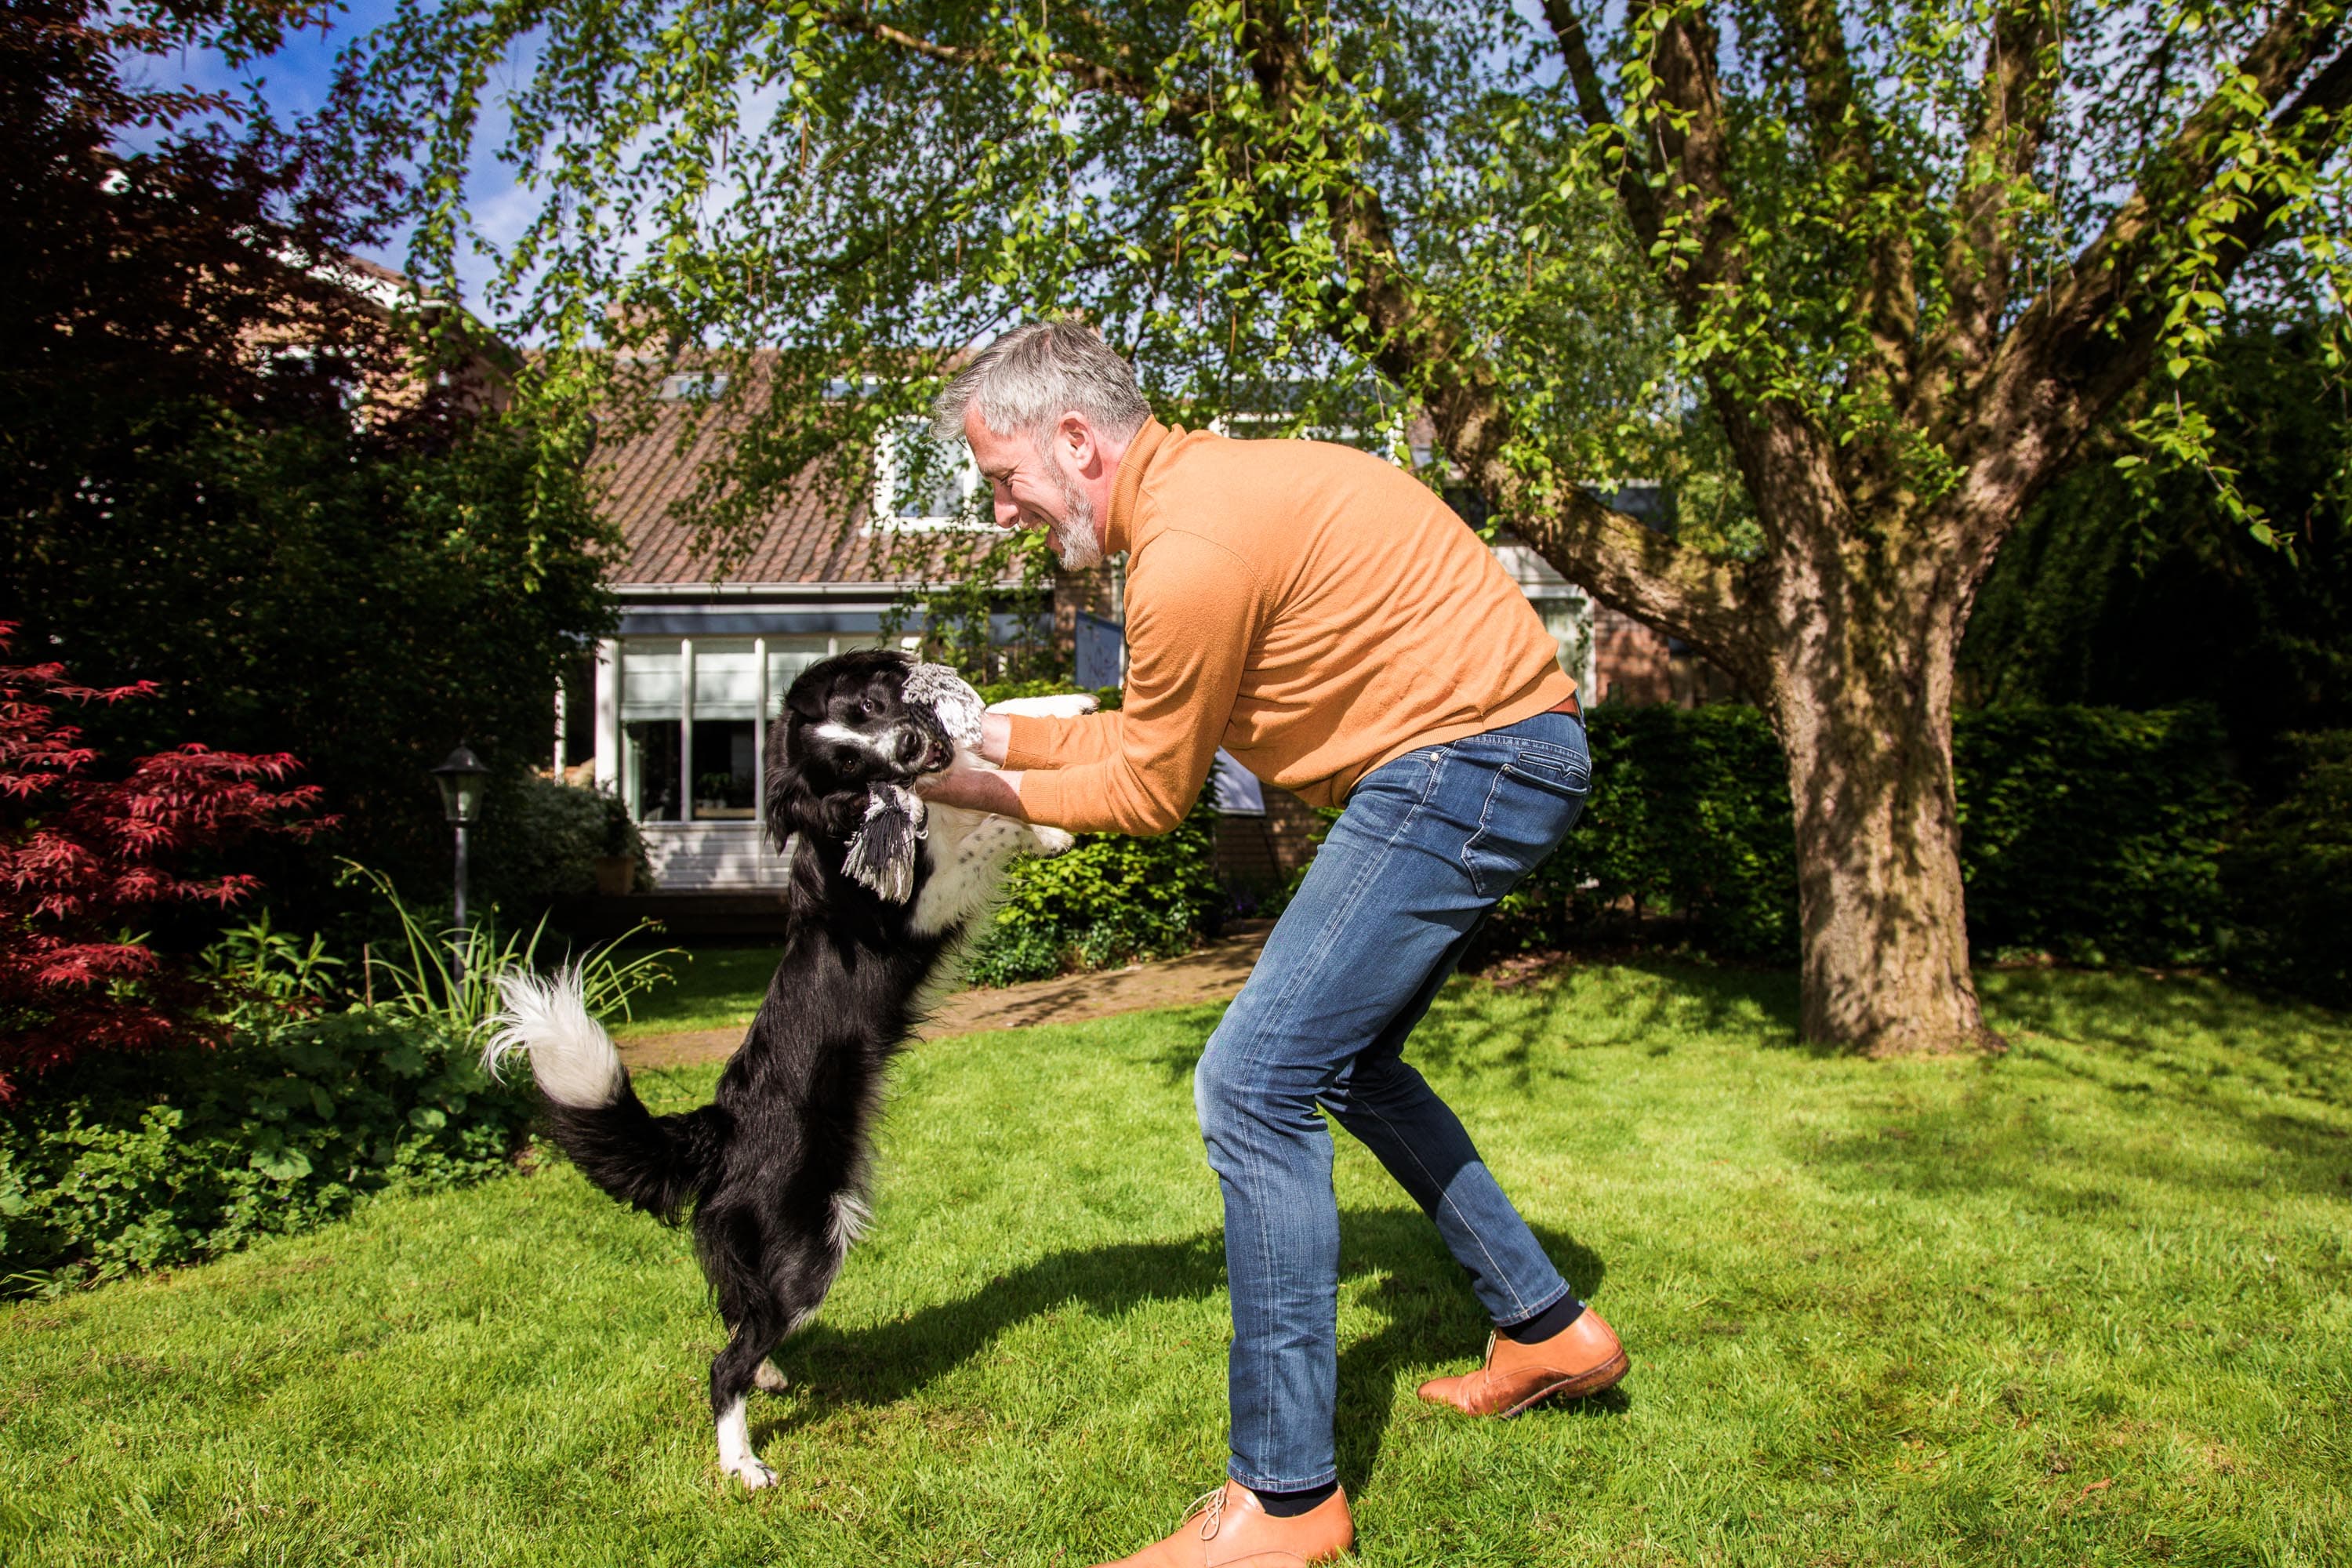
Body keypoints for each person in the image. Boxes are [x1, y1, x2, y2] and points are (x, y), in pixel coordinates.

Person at [917, 321, 1627, 1568]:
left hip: (1467, 762)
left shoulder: (1186, 551)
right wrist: (987, 742)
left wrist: (966, 793)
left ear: (1075, 441)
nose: (1006, 509)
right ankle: (1547, 1330)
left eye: (1005, 477)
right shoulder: (1205, 501)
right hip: (1497, 755)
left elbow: (1145, 797)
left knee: (1252, 1085)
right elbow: (1147, 742)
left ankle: (1286, 1502)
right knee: (1344, 1065)